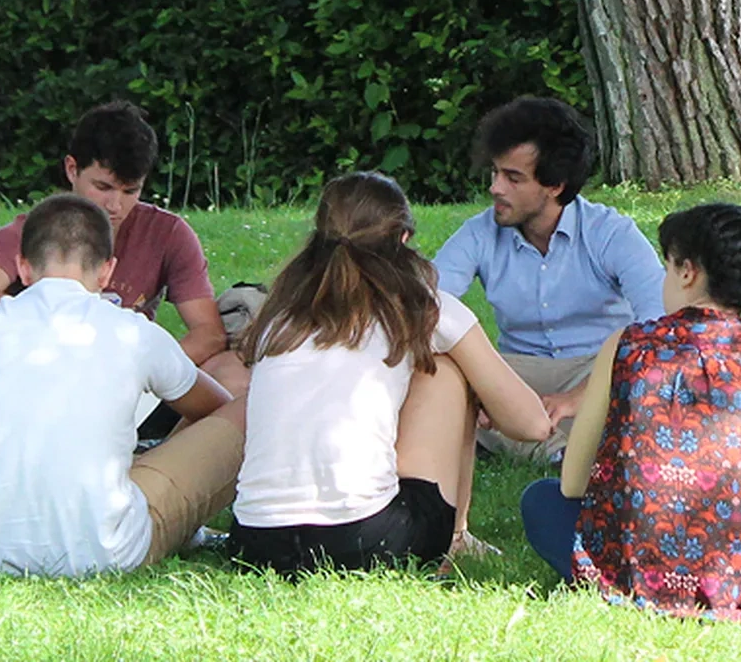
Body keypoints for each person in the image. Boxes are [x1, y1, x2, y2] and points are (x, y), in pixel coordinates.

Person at [517, 202, 741, 621]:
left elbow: (572, 484)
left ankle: (629, 589)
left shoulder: (626, 344)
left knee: (540, 500)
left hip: (633, 574)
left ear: (688, 272)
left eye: (667, 267)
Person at [230, 173, 552, 575]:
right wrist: (479, 395)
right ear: (402, 239)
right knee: (448, 368)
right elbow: (533, 425)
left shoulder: (282, 314)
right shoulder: (425, 306)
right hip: (364, 542)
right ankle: (457, 540)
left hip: (255, 543)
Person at [0, 194, 249, 576]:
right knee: (249, 410)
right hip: (107, 553)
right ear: (106, 272)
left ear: (22, 268)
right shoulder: (134, 332)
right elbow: (215, 410)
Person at [0, 102, 247, 416]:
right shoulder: (30, 232)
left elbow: (209, 333)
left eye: (131, 191)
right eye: (103, 187)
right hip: (44, 383)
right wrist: (53, 309)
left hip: (135, 384)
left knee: (235, 376)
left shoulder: (168, 233)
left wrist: (149, 369)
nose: (115, 205)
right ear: (72, 169)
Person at [432, 98, 664, 460]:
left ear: (555, 185)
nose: (495, 188)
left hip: (596, 371)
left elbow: (659, 324)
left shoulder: (610, 233)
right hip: (516, 375)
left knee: (650, 374)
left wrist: (579, 396)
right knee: (445, 375)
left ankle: (526, 440)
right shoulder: (479, 233)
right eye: (495, 173)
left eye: (512, 178)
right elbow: (427, 302)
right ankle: (563, 452)